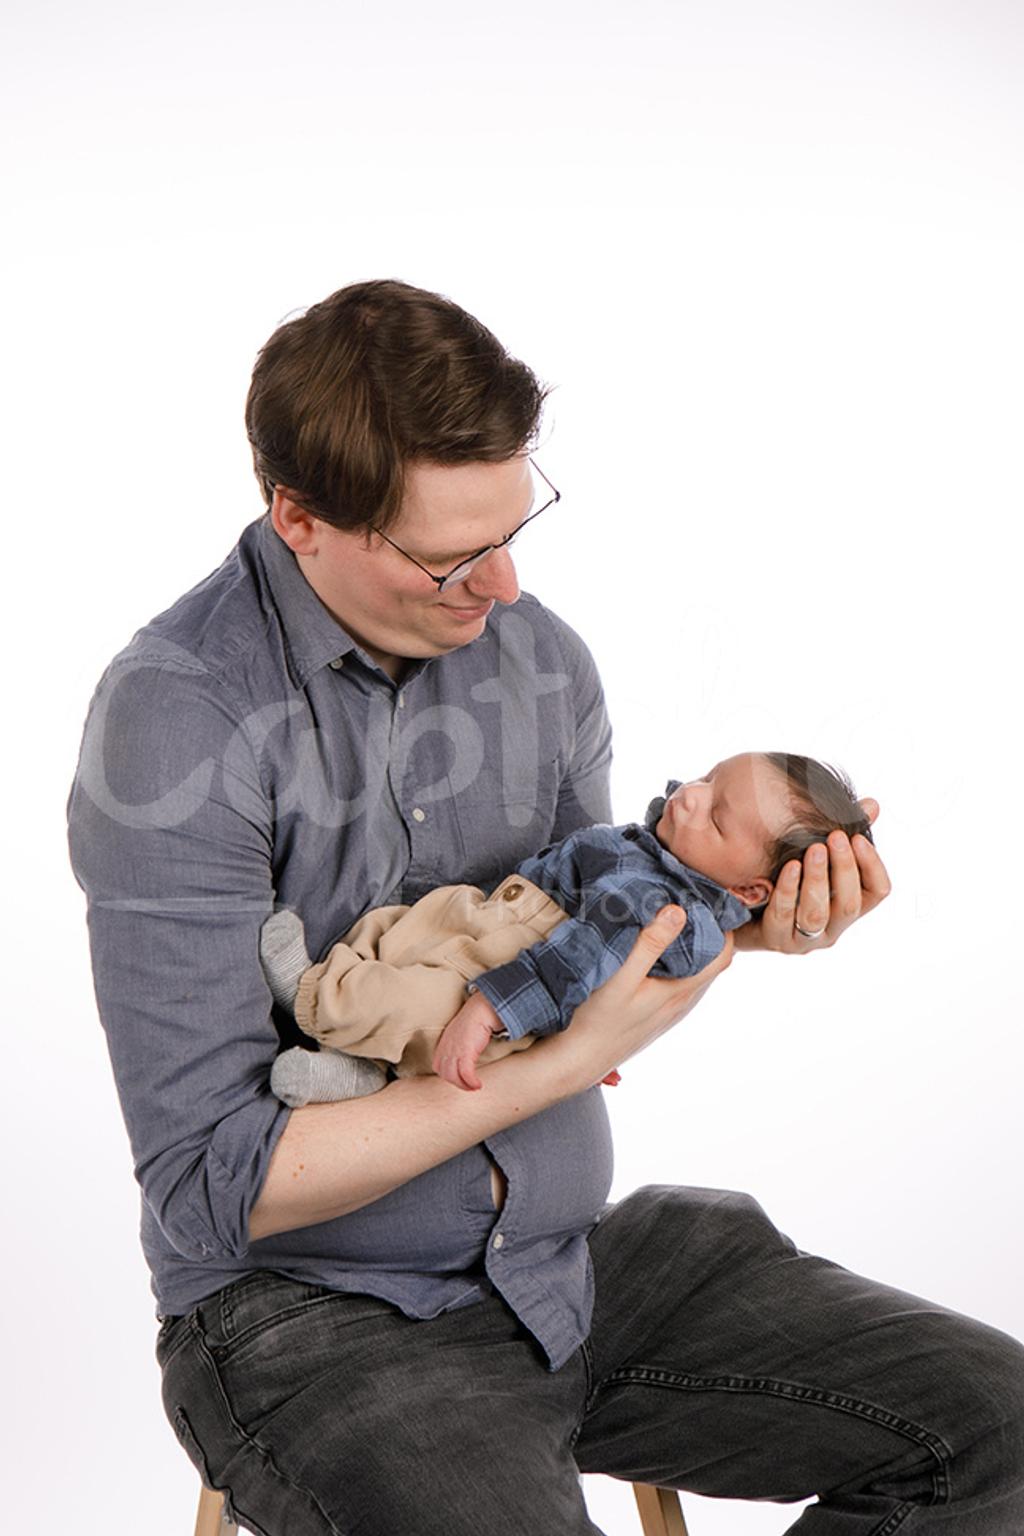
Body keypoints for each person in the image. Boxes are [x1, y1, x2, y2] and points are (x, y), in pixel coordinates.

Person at [68, 279, 1024, 1535]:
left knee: (996, 1432)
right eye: (450, 555)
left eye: (517, 528)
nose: (504, 585)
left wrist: (742, 923)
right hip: (315, 1314)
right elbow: (209, 1189)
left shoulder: (543, 661)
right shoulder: (175, 719)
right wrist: (551, 1068)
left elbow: (600, 938)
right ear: (298, 516)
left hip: (574, 1263)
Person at [263, 753, 873, 1101]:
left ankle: (313, 1002)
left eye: (715, 815)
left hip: (517, 974)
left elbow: (572, 965)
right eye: (708, 777)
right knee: (397, 931)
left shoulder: (656, 904)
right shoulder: (671, 859)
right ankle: (357, 1056)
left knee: (415, 1003)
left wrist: (487, 1013)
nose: (688, 796)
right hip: (502, 924)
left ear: (747, 891)